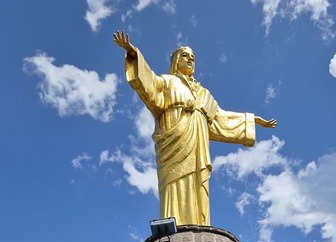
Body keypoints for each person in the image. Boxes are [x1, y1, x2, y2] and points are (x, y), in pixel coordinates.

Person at [113, 30, 277, 226]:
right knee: (174, 182)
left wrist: (251, 120)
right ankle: (174, 226)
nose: (190, 59)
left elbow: (220, 118)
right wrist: (133, 53)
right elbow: (149, 83)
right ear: (176, 61)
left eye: (193, 57)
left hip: (197, 141)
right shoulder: (168, 81)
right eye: (185, 55)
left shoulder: (203, 93)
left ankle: (198, 227)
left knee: (197, 180)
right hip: (174, 137)